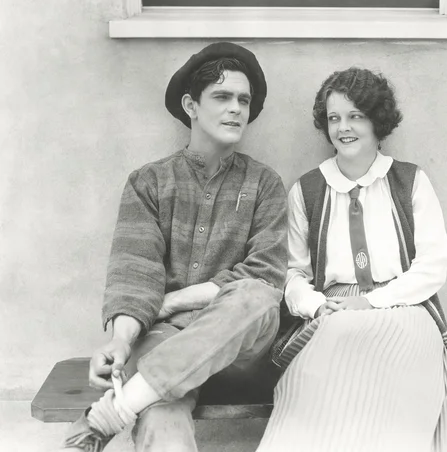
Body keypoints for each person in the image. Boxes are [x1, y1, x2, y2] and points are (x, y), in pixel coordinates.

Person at [60, 42, 288, 452]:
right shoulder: (149, 183)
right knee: (161, 409)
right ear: (191, 105)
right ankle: (134, 401)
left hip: (242, 353)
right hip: (163, 343)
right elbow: (134, 273)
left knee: (256, 295)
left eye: (243, 100)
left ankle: (116, 410)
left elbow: (266, 275)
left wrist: (171, 301)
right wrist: (120, 342)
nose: (236, 108)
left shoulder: (264, 184)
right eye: (222, 97)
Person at [259, 67, 447, 452]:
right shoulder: (307, 190)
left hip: (403, 305)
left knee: (400, 379)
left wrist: (369, 302)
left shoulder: (411, 182)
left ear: (377, 120)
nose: (344, 128)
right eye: (334, 118)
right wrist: (317, 305)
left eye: (356, 116)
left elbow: (432, 266)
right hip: (331, 310)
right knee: (318, 376)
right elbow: (292, 272)